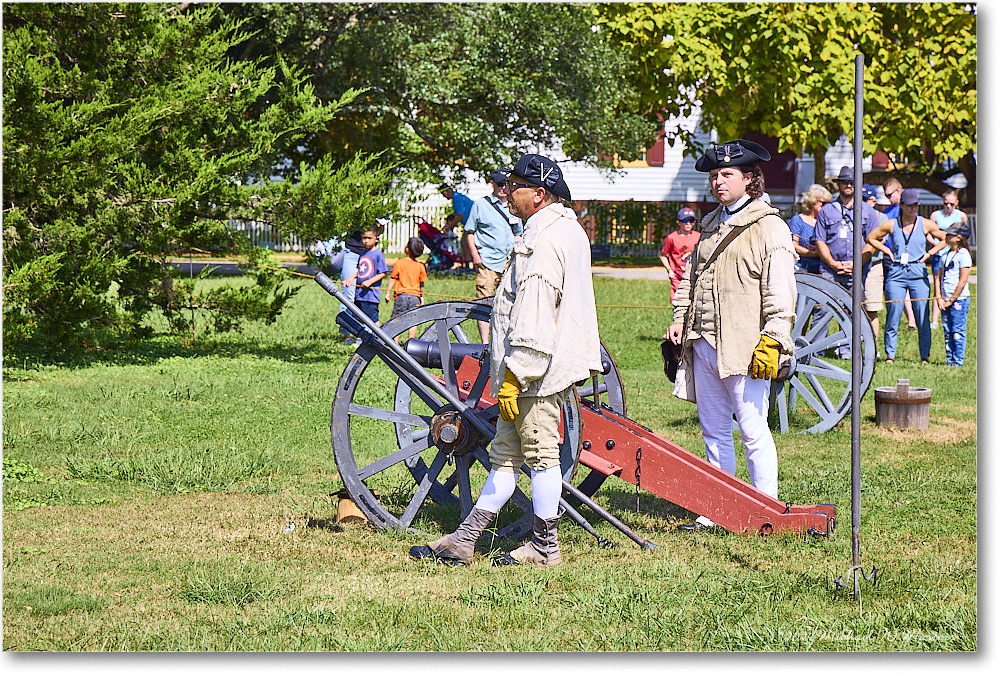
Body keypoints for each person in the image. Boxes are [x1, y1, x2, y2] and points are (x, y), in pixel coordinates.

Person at [410, 153, 602, 567]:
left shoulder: (546, 239)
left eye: (513, 185)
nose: (506, 191)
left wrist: (517, 375)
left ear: (539, 193)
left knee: (542, 456)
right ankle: (465, 538)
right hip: (531, 370)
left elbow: (535, 312)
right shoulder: (559, 230)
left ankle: (545, 548)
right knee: (505, 455)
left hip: (536, 373)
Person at [666, 139, 796, 530]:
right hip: (702, 341)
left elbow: (780, 290)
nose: (718, 182)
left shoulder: (770, 227)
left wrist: (774, 335)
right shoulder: (709, 224)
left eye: (727, 175)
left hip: (745, 344)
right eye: (714, 176)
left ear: (750, 179)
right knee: (714, 429)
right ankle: (718, 507)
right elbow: (690, 278)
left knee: (753, 428)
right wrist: (678, 316)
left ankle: (764, 507)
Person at [866, 188, 949, 364]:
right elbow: (871, 237)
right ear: (902, 205)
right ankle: (890, 355)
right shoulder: (891, 223)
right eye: (910, 206)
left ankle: (924, 356)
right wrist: (887, 250)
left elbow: (945, 238)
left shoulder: (925, 223)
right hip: (896, 272)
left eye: (916, 205)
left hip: (918, 273)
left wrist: (929, 253)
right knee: (893, 315)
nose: (913, 209)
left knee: (922, 316)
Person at [464, 169, 523, 342]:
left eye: (507, 184)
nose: (504, 188)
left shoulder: (514, 205)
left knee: (507, 303)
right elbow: (469, 232)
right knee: (484, 303)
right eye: (500, 184)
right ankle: (485, 342)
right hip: (487, 261)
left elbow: (518, 233)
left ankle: (503, 339)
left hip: (508, 263)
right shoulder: (480, 205)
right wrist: (475, 256)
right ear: (492, 184)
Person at [928, 190, 969, 328]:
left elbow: (965, 234)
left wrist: (960, 247)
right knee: (938, 284)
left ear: (957, 203)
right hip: (940, 255)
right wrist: (935, 244)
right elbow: (928, 232)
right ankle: (935, 319)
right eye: (946, 203)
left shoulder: (961, 216)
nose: (948, 206)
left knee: (955, 281)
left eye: (951, 203)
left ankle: (955, 309)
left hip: (955, 254)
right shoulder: (935, 215)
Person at [934, 222, 973, 366]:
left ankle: (958, 361)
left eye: (950, 234)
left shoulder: (963, 255)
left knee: (957, 330)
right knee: (947, 330)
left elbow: (962, 281)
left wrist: (951, 300)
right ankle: (949, 360)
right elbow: (937, 277)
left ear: (958, 238)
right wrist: (938, 297)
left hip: (958, 301)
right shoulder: (944, 255)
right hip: (944, 299)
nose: (946, 236)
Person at [882, 176, 917, 329]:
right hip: (888, 255)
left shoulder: (906, 210)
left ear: (899, 191)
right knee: (890, 288)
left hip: (903, 254)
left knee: (905, 287)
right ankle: (897, 320)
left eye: (890, 195)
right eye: (886, 196)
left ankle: (912, 320)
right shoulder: (887, 211)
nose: (888, 199)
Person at [343, 227, 388, 343]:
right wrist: (351, 278)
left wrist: (370, 282)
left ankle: (386, 337)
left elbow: (383, 272)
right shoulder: (363, 253)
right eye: (364, 238)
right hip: (360, 294)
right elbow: (360, 271)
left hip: (370, 296)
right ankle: (360, 339)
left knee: (373, 320)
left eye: (369, 238)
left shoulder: (378, 254)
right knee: (359, 318)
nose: (366, 241)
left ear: (376, 239)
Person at [384, 236, 428, 343]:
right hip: (415, 297)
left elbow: (393, 278)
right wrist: (421, 296)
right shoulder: (420, 266)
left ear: (407, 249)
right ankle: (411, 341)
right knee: (413, 320)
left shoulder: (399, 262)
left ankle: (395, 343)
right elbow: (421, 283)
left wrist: (388, 292)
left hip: (401, 296)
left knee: (397, 319)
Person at [861, 184, 889, 347]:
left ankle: (872, 347)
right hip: (853, 266)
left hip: (873, 264)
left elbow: (879, 241)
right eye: (861, 199)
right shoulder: (854, 215)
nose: (864, 203)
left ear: (874, 200)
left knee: (871, 308)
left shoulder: (881, 218)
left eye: (867, 200)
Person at [659, 206, 701, 300]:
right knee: (679, 304)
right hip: (677, 277)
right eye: (685, 220)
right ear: (678, 222)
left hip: (694, 277)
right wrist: (669, 270)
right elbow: (663, 255)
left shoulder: (698, 236)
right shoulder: (672, 237)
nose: (688, 223)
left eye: (691, 220)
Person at [787, 184, 831, 274]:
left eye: (828, 204)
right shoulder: (797, 220)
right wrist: (812, 253)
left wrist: (821, 251)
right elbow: (793, 245)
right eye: (823, 203)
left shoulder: (829, 221)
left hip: (824, 269)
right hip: (802, 268)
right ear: (812, 202)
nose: (826, 207)